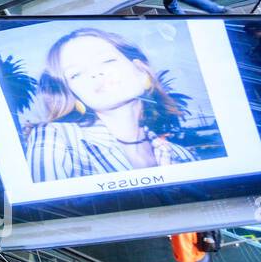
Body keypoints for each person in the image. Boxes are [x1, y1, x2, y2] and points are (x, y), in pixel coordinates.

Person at [25, 28, 198, 183]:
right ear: (74, 95)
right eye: (76, 74)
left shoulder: (183, 156)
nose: (95, 73)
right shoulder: (58, 138)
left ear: (140, 70)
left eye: (107, 61)